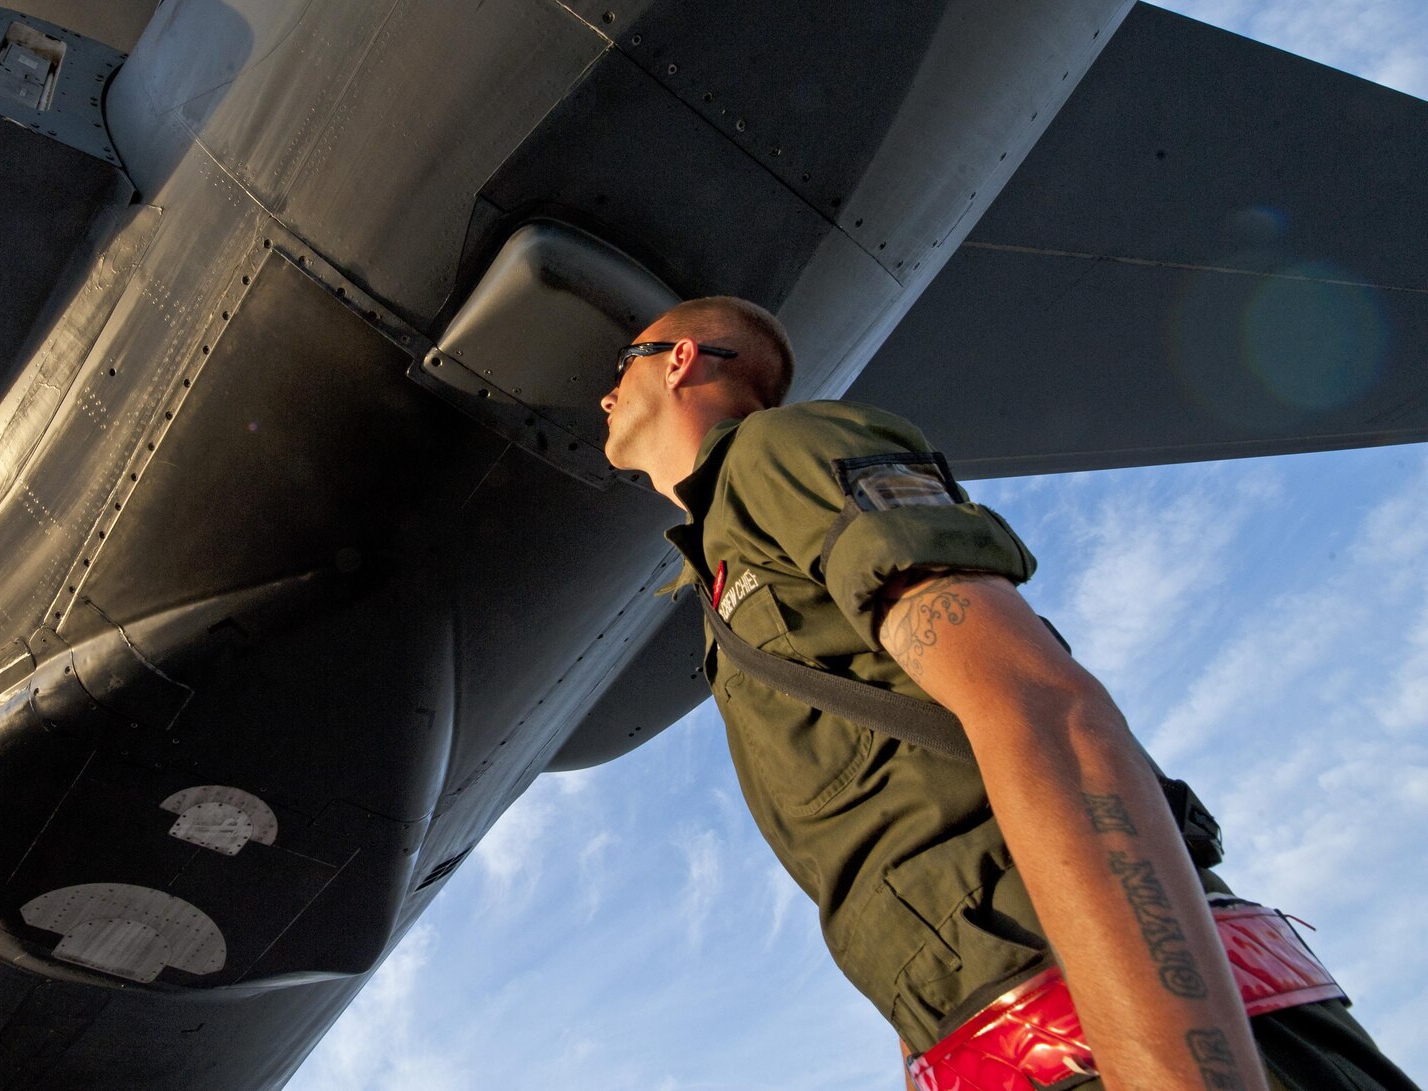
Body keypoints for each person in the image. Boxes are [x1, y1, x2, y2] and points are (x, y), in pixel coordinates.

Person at [598, 295, 1416, 1091]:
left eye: (622, 365)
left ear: (680, 360)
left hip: (1143, 1037)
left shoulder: (779, 452)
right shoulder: (718, 568)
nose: (604, 392)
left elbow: (1043, 707)